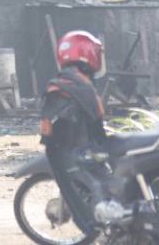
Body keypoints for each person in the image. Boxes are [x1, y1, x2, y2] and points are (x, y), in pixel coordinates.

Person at [40, 30, 107, 233]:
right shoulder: (83, 85)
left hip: (65, 151)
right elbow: (98, 121)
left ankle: (92, 227)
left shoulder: (60, 84)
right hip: (83, 150)